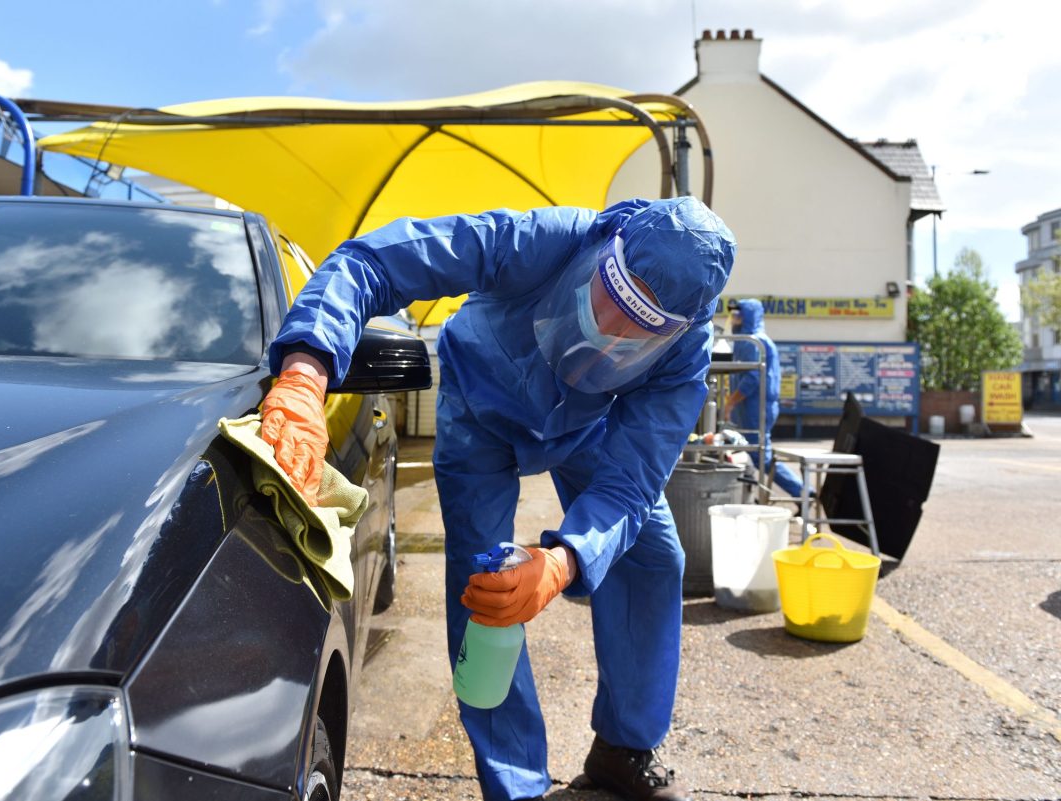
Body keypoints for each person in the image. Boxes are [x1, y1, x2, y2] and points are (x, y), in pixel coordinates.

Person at [259, 197, 735, 801]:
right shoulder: (541, 240)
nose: (613, 330)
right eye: (612, 297)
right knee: (487, 587)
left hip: (583, 424)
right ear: (603, 250)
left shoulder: (686, 352)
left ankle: (623, 748)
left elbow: (632, 479)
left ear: (680, 329)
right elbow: (373, 263)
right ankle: (515, 786)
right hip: (479, 405)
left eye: (641, 328)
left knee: (652, 554)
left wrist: (564, 561)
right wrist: (305, 368)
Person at [723, 298, 805, 498]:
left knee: (760, 455)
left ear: (748, 316)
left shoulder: (754, 341)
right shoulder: (747, 340)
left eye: (739, 314)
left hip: (756, 407)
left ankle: (803, 492)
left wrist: (730, 403)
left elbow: (751, 379)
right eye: (733, 314)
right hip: (750, 407)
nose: (734, 319)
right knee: (754, 451)